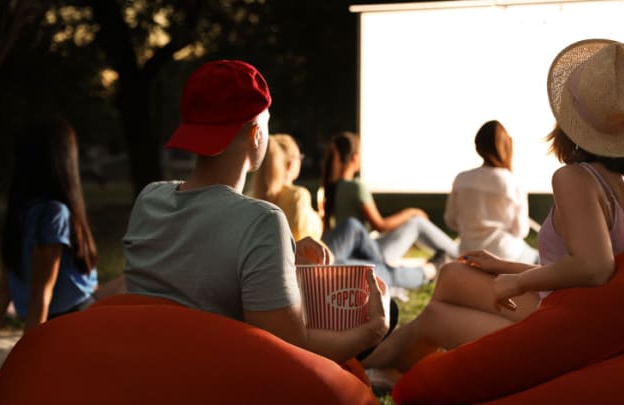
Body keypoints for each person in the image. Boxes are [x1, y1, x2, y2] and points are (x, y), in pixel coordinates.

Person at [360, 39, 624, 375]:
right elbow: (597, 276)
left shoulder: (576, 179)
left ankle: (364, 369)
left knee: (437, 314)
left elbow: (595, 268)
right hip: (599, 322)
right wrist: (506, 267)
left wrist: (518, 283)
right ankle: (398, 371)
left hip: (574, 335)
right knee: (451, 274)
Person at [122, 60, 389, 363]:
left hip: (148, 367)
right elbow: (292, 351)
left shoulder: (149, 199)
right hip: (218, 379)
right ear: (256, 134)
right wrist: (374, 331)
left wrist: (281, 257)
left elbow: (194, 269)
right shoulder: (263, 220)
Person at [0, 118, 100, 359]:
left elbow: (40, 293)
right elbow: (9, 288)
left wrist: (25, 359)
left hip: (75, 315)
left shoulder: (48, 212)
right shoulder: (33, 212)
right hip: (56, 317)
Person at [249, 134, 435, 290]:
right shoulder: (297, 196)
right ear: (290, 165)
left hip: (303, 262)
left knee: (351, 226)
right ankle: (429, 270)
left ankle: (386, 265)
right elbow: (301, 241)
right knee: (379, 270)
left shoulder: (256, 199)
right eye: (300, 157)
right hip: (312, 269)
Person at [321, 131, 459, 268]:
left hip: (353, 251)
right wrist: (410, 212)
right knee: (417, 222)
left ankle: (449, 255)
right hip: (369, 253)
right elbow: (380, 225)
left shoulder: (333, 187)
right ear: (355, 157)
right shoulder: (356, 186)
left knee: (415, 223)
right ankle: (460, 254)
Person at [444, 120, 539, 264]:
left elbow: (451, 221)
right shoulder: (512, 181)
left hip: (468, 252)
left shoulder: (461, 179)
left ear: (478, 146)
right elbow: (521, 231)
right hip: (505, 253)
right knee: (540, 257)